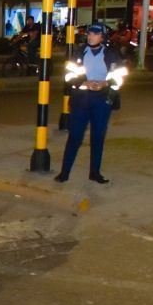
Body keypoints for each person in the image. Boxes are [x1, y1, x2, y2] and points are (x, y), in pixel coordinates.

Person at [56, 22, 126, 184]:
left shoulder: (111, 54)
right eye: (89, 33)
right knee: (75, 136)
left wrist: (105, 84)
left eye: (95, 33)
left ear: (102, 37)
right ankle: (64, 173)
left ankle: (95, 172)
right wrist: (84, 83)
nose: (91, 36)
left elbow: (121, 75)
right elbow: (68, 76)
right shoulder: (79, 53)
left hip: (102, 100)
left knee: (98, 137)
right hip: (81, 99)